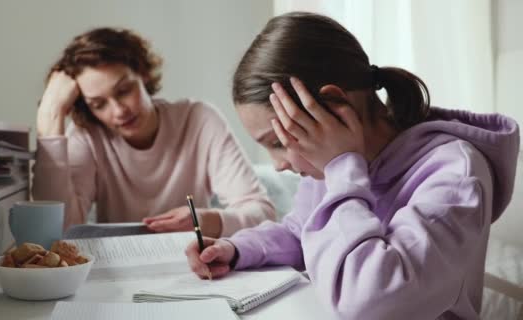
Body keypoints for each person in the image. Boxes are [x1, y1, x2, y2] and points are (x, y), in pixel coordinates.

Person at [185, 12, 520, 319]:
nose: (279, 164)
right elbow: (299, 232)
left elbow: (373, 302)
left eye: (278, 142)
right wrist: (236, 248)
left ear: (334, 104)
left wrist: (344, 171)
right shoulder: (328, 167)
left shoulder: (455, 175)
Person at [32, 27, 276, 237]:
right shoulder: (87, 137)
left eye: (124, 90)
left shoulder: (199, 120)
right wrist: (50, 115)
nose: (118, 111)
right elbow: (59, 234)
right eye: (99, 104)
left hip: (193, 263)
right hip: (118, 273)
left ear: (143, 74)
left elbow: (262, 213)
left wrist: (204, 221)